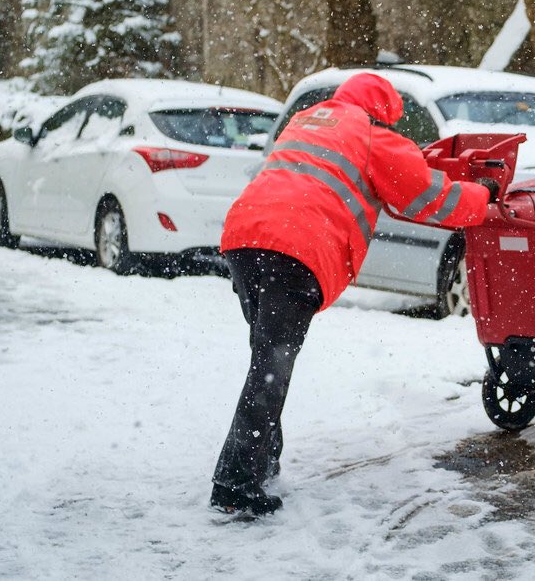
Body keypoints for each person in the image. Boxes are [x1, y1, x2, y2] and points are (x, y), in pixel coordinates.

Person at [210, 72, 494, 517]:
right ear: (384, 113)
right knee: (270, 367)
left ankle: (261, 462)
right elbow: (426, 199)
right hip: (294, 249)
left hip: (244, 240)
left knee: (266, 359)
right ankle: (235, 484)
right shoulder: (374, 138)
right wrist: (483, 195)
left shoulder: (307, 120)